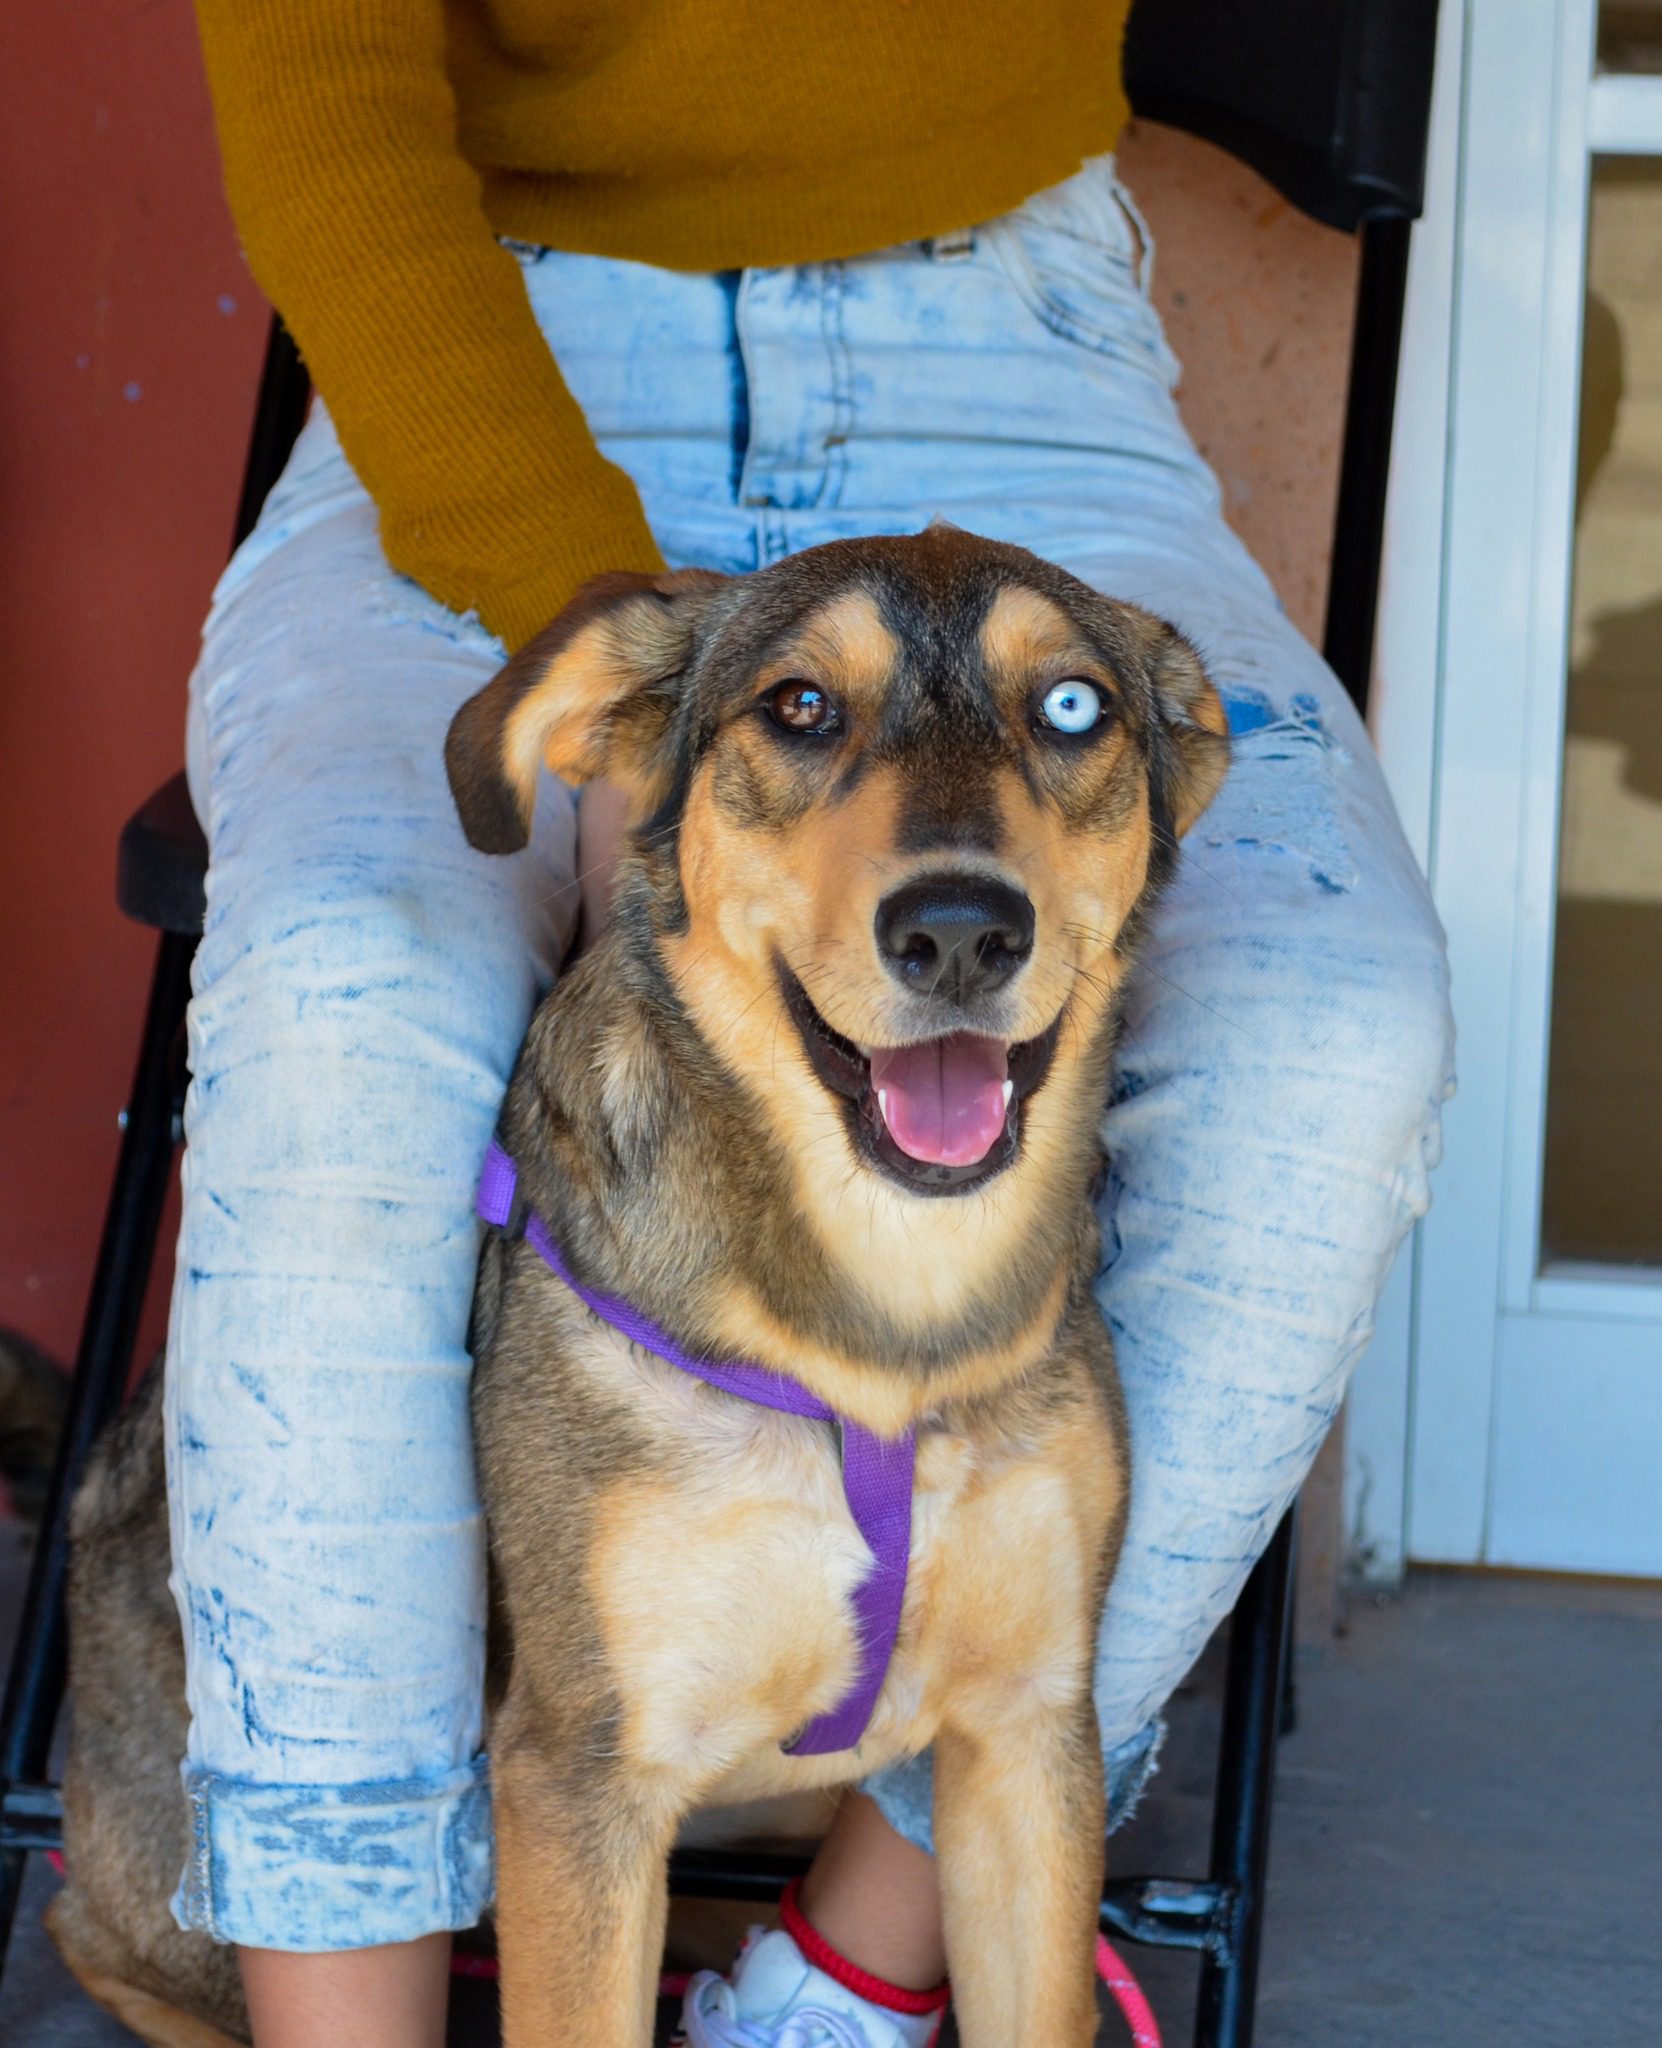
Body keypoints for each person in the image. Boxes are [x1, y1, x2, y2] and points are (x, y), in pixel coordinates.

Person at [168, 5, 1454, 2044]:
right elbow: (325, 117)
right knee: (348, 978)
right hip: (498, 327)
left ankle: (840, 1982)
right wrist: (609, 694)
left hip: (1014, 351)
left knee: (1333, 1025)